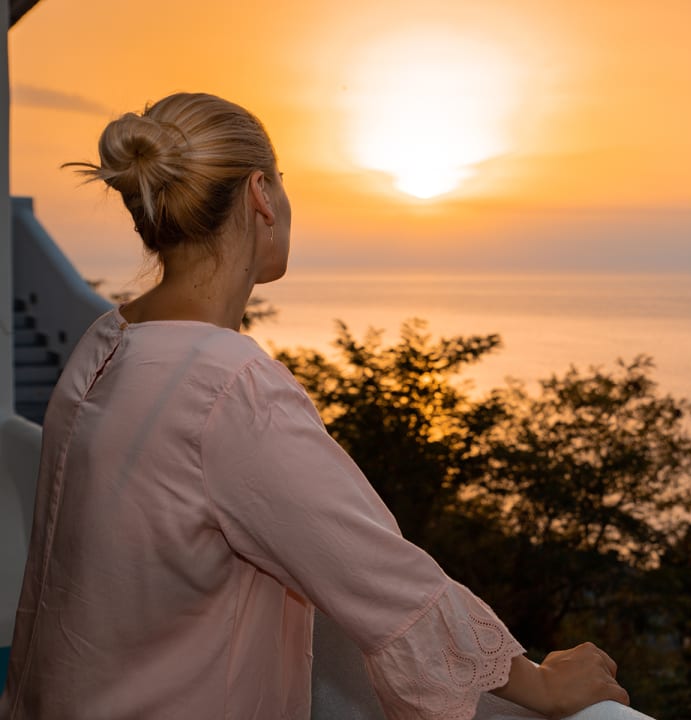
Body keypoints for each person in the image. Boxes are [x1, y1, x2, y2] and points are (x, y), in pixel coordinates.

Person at [0, 92, 630, 720]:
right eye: (283, 182)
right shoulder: (230, 389)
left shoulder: (106, 343)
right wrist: (542, 684)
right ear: (259, 194)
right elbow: (382, 577)